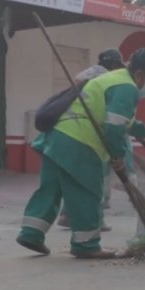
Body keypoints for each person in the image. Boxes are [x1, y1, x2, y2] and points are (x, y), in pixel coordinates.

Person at [17, 48, 145, 259]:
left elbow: (122, 120)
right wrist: (119, 156)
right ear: (140, 74)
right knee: (87, 193)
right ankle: (86, 245)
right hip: (80, 142)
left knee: (50, 189)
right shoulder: (127, 87)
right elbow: (114, 128)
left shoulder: (113, 78)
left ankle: (31, 233)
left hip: (57, 136)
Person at [54, 48, 130, 230]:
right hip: (93, 132)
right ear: (113, 64)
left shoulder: (82, 75)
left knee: (76, 178)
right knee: (98, 180)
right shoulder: (108, 80)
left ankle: (67, 214)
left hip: (71, 129)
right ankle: (97, 220)